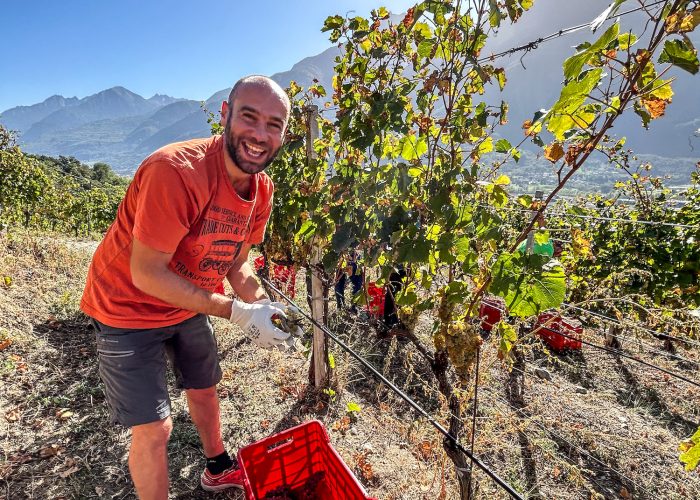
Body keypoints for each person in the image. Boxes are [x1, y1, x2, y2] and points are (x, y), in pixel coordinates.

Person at [80, 75, 292, 499]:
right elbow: (147, 274)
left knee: (204, 385)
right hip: (126, 308)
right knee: (155, 428)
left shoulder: (261, 190)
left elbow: (237, 262)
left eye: (274, 124)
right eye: (249, 117)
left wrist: (263, 306)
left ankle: (216, 468)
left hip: (190, 301)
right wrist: (235, 312)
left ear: (283, 135)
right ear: (225, 115)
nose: (260, 134)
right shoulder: (175, 171)